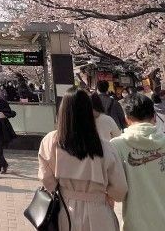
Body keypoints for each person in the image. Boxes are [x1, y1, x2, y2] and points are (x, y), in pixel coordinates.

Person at [39, 88, 127, 230]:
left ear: (63, 112)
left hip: (65, 212)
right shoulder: (105, 147)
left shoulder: (51, 141)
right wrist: (108, 195)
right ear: (90, 112)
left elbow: (46, 179)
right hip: (99, 212)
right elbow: (120, 190)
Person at [111, 93, 165, 231]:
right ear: (154, 117)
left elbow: (117, 191)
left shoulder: (117, 145)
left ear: (127, 119)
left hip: (134, 223)